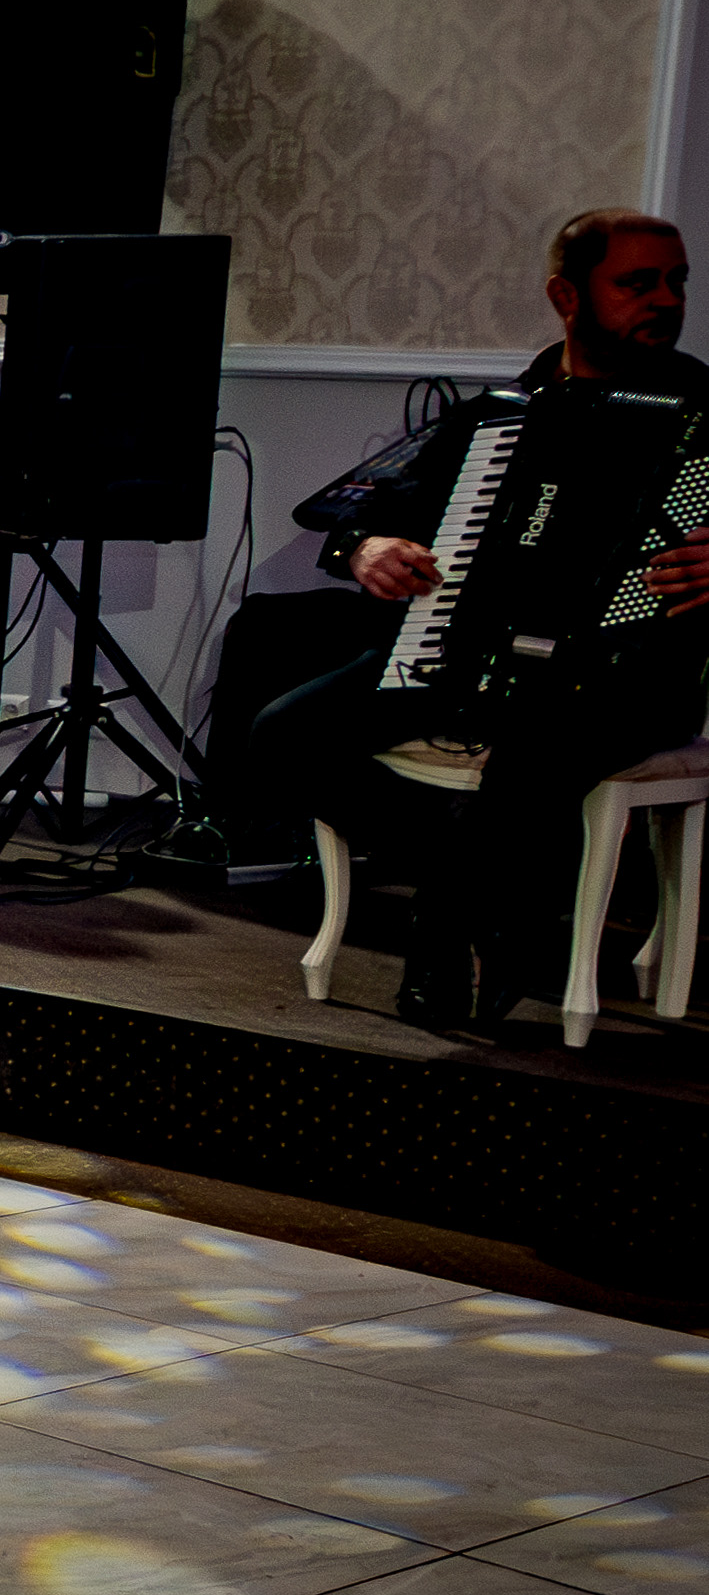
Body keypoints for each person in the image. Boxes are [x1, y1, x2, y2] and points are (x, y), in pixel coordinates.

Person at [262, 208, 709, 1025]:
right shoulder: (498, 415)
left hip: (627, 676)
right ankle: (462, 873)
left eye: (674, 282)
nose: (665, 300)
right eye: (636, 283)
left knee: (533, 751)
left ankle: (446, 930)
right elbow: (366, 511)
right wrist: (365, 549)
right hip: (463, 654)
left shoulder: (702, 410)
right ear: (565, 296)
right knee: (283, 733)